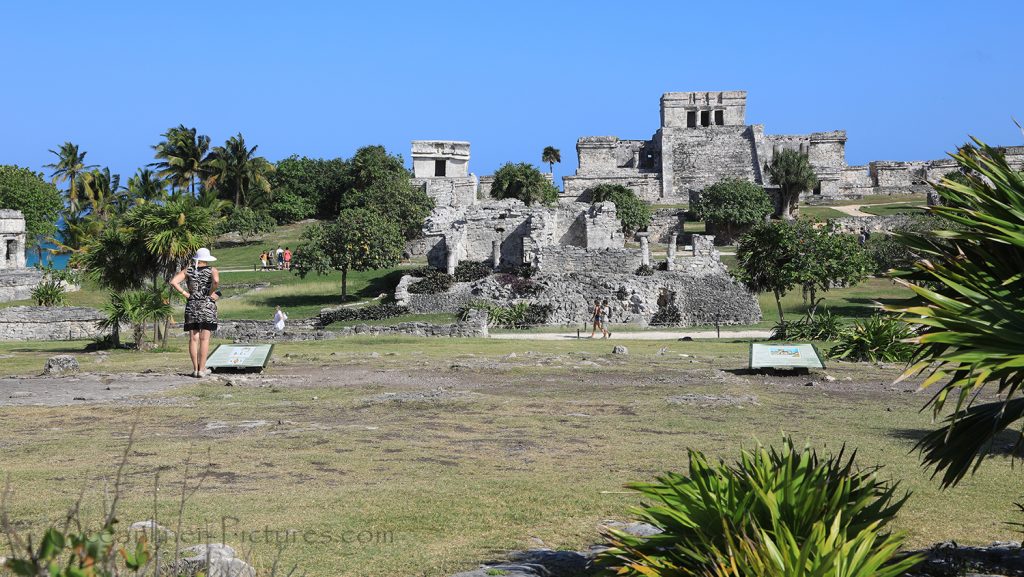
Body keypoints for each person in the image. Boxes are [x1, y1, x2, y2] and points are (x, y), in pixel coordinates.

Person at [170, 248, 220, 378]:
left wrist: (185, 293)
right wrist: (211, 292)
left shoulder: (188, 270)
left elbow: (174, 282)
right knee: (205, 338)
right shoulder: (212, 270)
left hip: (192, 305)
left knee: (193, 338)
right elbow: (216, 281)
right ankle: (202, 369)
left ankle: (195, 369)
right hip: (207, 305)